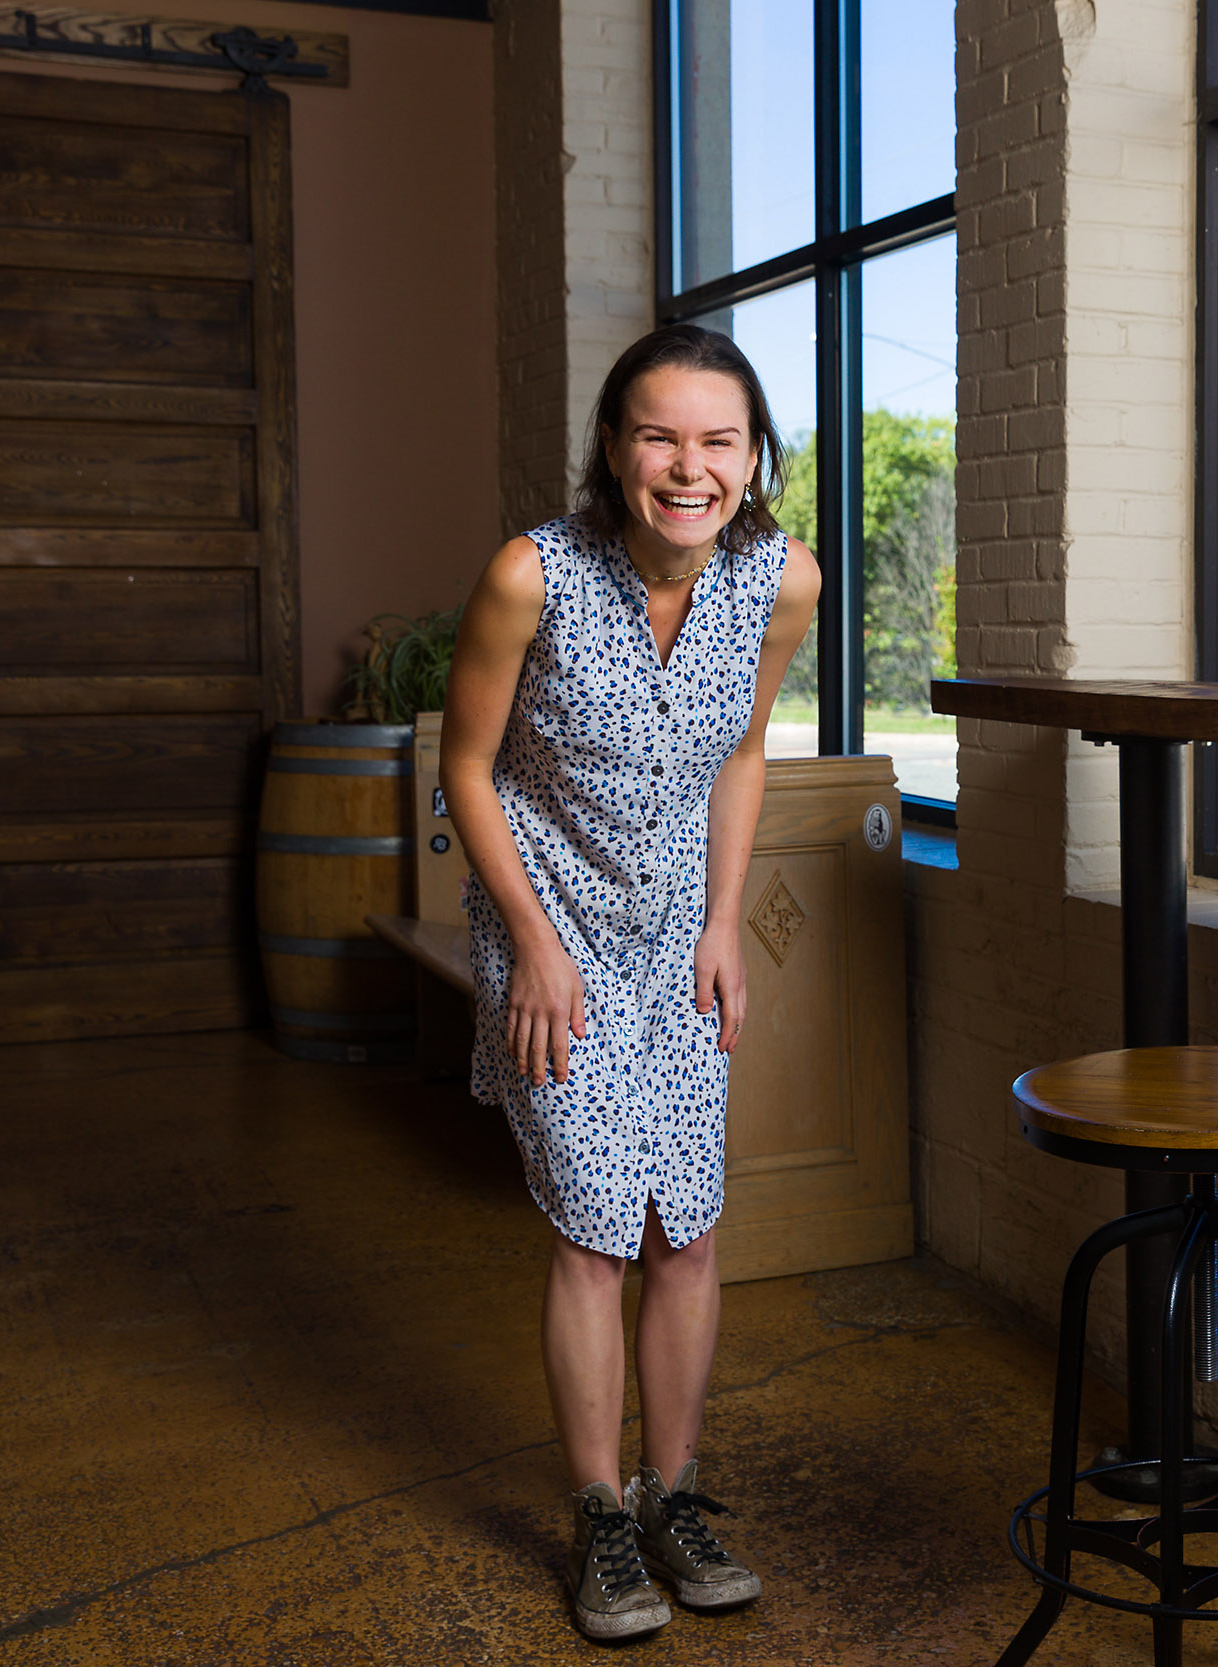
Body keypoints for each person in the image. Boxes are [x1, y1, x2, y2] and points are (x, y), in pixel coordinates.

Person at [439, 324, 820, 1641]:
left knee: (691, 1225)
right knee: (600, 1220)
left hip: (678, 943)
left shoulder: (782, 579)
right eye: (660, 435)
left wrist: (726, 922)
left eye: (719, 440)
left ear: (751, 456)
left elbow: (744, 752)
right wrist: (534, 943)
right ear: (614, 447)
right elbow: (467, 768)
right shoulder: (530, 576)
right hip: (554, 934)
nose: (689, 465)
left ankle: (678, 1493)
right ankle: (602, 1517)